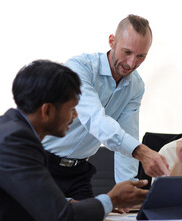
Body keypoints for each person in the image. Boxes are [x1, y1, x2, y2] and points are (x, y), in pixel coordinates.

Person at [0, 60, 148, 221]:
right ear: (47, 110)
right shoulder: (16, 143)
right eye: (71, 108)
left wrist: (87, 204)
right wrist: (112, 199)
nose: (76, 115)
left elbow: (28, 196)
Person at [42, 14, 168, 200]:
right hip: (41, 163)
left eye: (141, 56)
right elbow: (94, 119)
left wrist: (126, 185)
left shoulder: (136, 86)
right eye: (127, 52)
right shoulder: (79, 68)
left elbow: (128, 132)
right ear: (112, 41)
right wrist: (142, 151)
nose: (131, 63)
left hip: (79, 172)